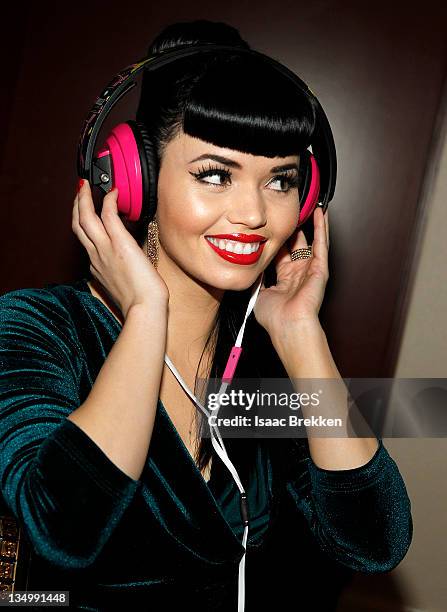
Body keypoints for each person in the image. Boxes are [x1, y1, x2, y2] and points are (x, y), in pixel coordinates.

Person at [0, 20, 412, 611]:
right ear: (135, 178)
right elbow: (63, 528)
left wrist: (300, 336)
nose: (253, 213)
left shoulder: (261, 372)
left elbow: (374, 542)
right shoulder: (35, 329)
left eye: (281, 181)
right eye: (214, 175)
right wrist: (146, 316)